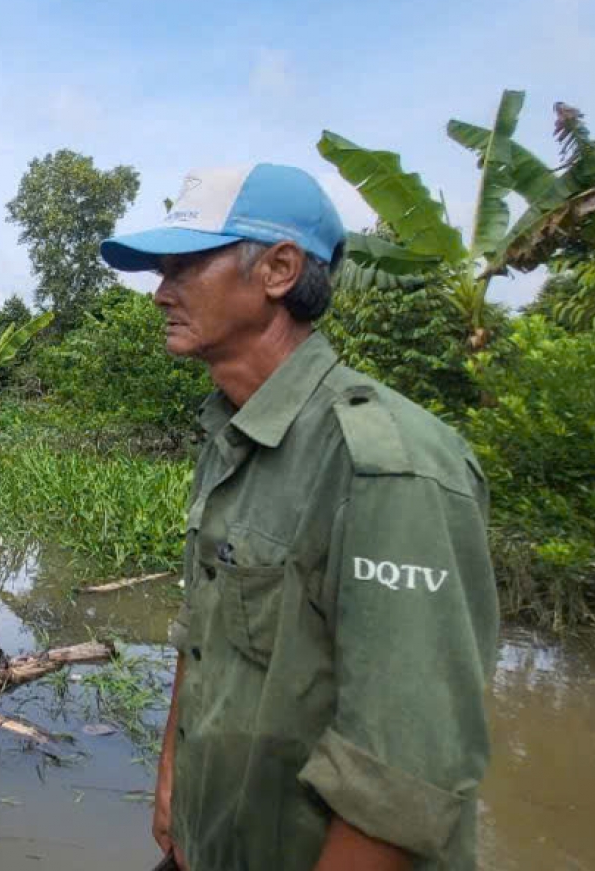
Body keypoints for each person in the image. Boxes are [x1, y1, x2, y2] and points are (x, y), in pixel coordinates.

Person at [99, 164, 499, 870]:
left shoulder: (388, 466)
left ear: (279, 270)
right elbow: (202, 638)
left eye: (184, 266)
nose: (160, 292)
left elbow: (401, 780)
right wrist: (173, 786)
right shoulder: (229, 439)